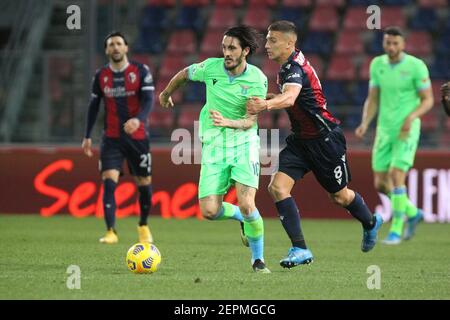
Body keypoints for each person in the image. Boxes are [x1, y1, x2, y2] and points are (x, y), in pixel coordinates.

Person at [247, 20, 383, 269]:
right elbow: (293, 97)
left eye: (272, 40)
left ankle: (370, 222)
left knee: (339, 197)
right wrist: (273, 98)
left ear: (290, 43)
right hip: (301, 141)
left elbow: (290, 98)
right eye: (267, 39)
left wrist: (266, 105)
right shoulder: (287, 67)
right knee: (277, 188)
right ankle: (300, 248)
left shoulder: (294, 68)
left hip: (325, 140)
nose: (266, 44)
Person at [159, 25, 270, 273]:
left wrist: (228, 122)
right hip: (214, 145)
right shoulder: (211, 67)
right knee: (209, 211)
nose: (226, 53)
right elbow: (185, 73)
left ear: (246, 51)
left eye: (232, 48)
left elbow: (250, 121)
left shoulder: (257, 79)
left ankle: (258, 260)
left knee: (247, 204)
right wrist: (166, 93)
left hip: (244, 143)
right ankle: (241, 219)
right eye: (224, 47)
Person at [355, 27, 434, 245]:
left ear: (403, 44)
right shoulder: (377, 65)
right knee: (380, 183)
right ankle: (412, 211)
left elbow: (428, 100)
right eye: (387, 43)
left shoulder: (416, 66)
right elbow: (373, 99)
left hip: (406, 130)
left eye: (395, 43)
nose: (391, 47)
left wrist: (411, 118)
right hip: (384, 130)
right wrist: (365, 123)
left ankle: (396, 231)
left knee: (396, 175)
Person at [82, 31, 155, 244]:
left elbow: (149, 100)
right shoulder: (101, 76)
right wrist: (87, 135)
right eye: (110, 44)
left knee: (144, 184)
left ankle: (142, 224)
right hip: (111, 138)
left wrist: (138, 120)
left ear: (126, 48)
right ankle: (111, 231)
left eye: (118, 43)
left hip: (138, 137)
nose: (115, 47)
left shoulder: (140, 71)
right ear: (106, 50)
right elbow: (94, 105)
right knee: (109, 182)